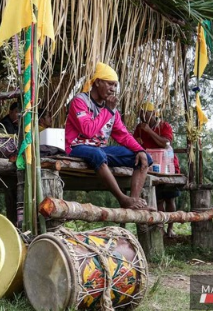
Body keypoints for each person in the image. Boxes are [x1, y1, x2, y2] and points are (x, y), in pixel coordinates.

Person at [64, 62, 152, 210]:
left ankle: (134, 201)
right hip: (75, 147)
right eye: (110, 84)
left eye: (115, 86)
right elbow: (88, 130)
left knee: (145, 158)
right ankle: (122, 199)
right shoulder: (80, 101)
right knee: (97, 154)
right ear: (97, 82)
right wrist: (108, 111)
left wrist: (140, 150)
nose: (113, 89)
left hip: (99, 150)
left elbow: (123, 135)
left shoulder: (112, 111)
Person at [132, 102, 181, 238]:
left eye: (145, 113)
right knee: (157, 198)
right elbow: (134, 142)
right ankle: (159, 227)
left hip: (166, 166)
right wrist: (137, 140)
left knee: (170, 198)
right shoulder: (139, 127)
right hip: (150, 167)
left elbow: (165, 144)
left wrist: (149, 131)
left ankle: (170, 228)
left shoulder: (164, 126)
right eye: (140, 113)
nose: (142, 116)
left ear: (153, 114)